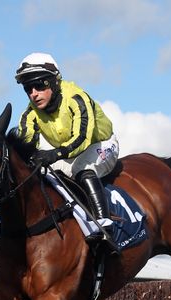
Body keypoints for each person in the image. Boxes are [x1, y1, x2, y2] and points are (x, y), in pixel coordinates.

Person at [14, 52, 120, 252]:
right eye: (28, 89)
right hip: (68, 151)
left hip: (101, 144)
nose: (33, 93)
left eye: (39, 85)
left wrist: (54, 154)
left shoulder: (77, 98)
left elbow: (82, 138)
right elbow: (24, 144)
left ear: (54, 82)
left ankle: (105, 225)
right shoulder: (29, 113)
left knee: (83, 169)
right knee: (44, 175)